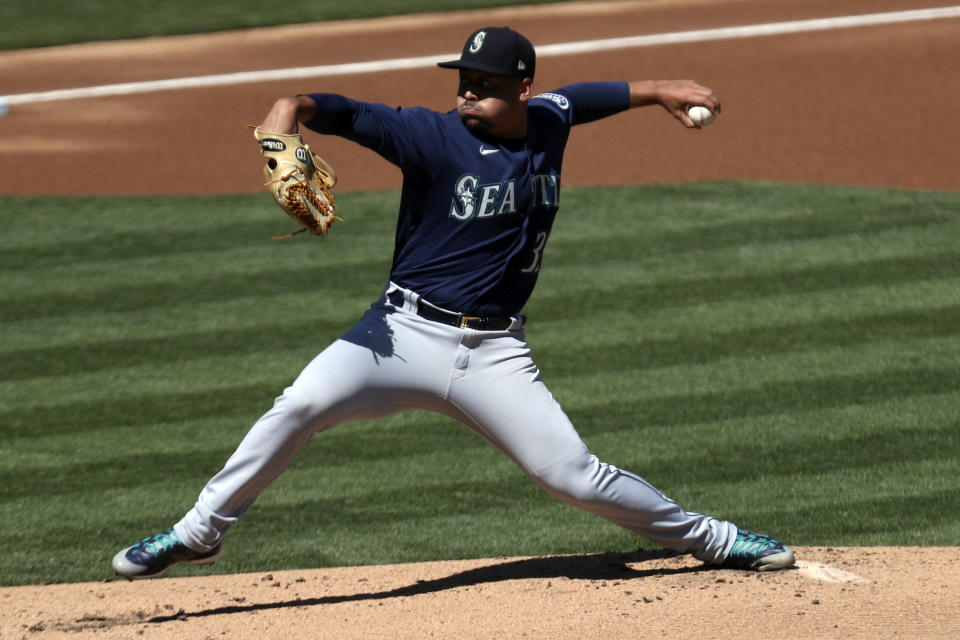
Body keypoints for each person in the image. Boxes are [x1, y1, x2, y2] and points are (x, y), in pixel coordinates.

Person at [112, 26, 795, 580]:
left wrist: (656, 89)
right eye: (464, 82)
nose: (469, 94)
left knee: (574, 478)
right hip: (396, 336)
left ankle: (715, 539)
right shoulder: (428, 135)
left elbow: (581, 97)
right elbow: (341, 112)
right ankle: (198, 534)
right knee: (298, 405)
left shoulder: (548, 121)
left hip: (496, 353)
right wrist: (289, 109)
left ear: (522, 89)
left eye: (487, 86)